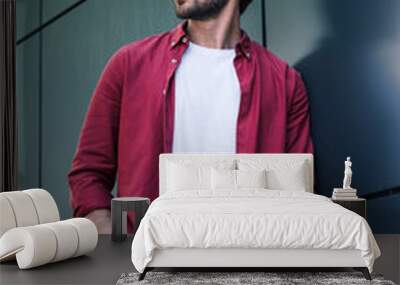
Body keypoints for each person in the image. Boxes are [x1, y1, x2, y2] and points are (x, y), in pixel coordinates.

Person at [68, 0, 313, 234]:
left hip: (246, 262)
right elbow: (89, 174)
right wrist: (112, 239)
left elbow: (298, 190)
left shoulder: (285, 83)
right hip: (148, 264)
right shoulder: (129, 64)